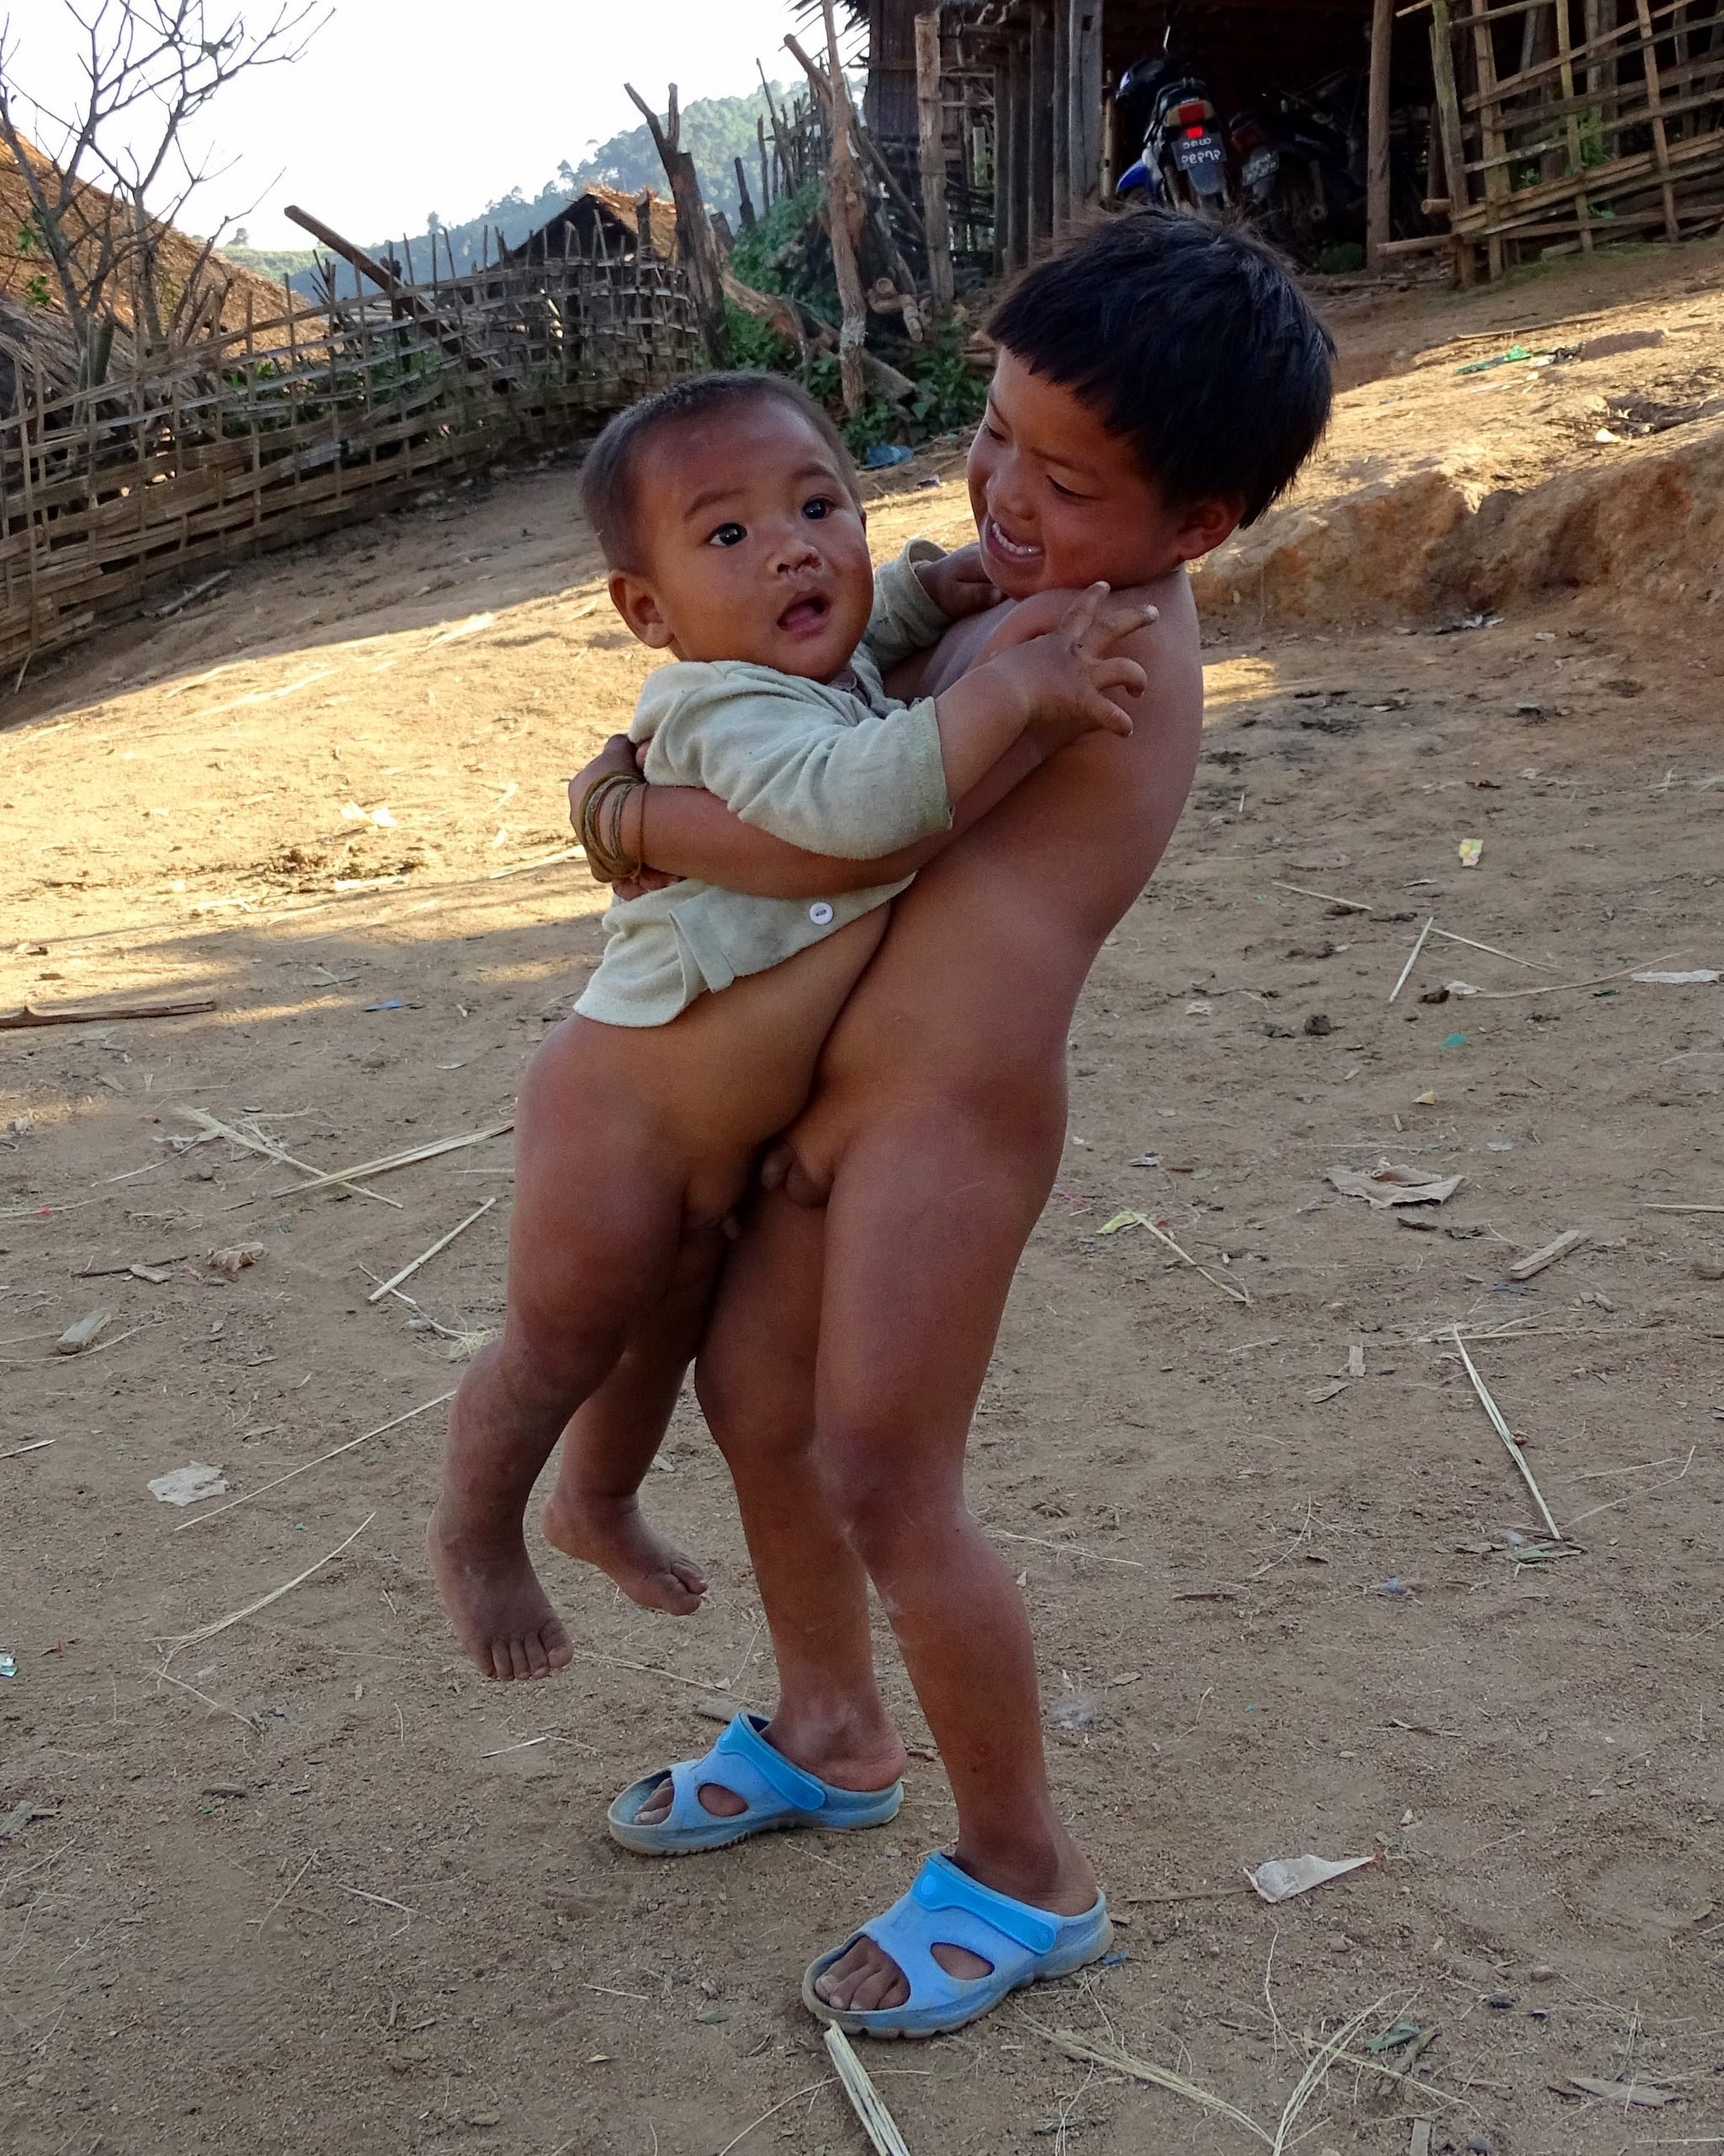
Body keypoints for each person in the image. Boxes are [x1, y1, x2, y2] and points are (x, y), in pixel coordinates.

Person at [556, 211, 1336, 2039]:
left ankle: (1024, 1868)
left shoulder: (1095, 639)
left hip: (948, 1128)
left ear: (1197, 523)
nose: (1000, 489)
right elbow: (844, 705)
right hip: (835, 1108)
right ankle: (832, 1724)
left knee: (886, 1471)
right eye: (994, 431)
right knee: (757, 1406)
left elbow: (859, 816)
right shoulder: (1021, 596)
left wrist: (632, 817)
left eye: (1063, 477)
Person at [428, 367, 1155, 1679]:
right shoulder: (718, 707)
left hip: (712, 1151)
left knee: (657, 1340)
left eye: (819, 507)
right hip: (619, 1116)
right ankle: (478, 1536)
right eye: (728, 534)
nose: (791, 550)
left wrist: (940, 591)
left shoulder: (799, 665)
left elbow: (867, 647)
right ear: (649, 612)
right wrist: (1008, 692)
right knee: (563, 1342)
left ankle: (595, 1501)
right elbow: (855, 805)